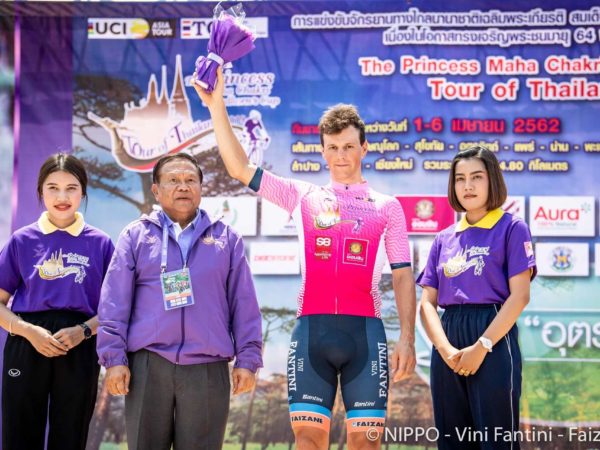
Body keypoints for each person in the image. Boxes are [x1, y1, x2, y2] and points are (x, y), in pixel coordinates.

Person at [195, 69, 416, 450]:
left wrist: (407, 340)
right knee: (309, 441)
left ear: (364, 148)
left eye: (349, 146)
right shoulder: (303, 196)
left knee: (366, 444)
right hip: (312, 333)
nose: (341, 155)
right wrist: (217, 106)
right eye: (333, 147)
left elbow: (402, 276)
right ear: (323, 151)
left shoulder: (387, 207)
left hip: (366, 335)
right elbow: (239, 169)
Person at [96, 153, 262, 450]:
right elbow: (114, 303)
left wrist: (248, 359)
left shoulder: (227, 238)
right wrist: (114, 358)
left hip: (207, 368)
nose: (183, 186)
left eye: (190, 180)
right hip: (147, 364)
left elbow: (244, 303)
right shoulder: (135, 236)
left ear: (201, 188)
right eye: (173, 180)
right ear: (156, 190)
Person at [417, 146, 536, 450]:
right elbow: (427, 303)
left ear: (492, 180)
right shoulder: (443, 238)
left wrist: (482, 345)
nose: (467, 186)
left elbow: (520, 296)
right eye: (460, 178)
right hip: (448, 339)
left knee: (496, 441)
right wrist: (445, 350)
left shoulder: (512, 228)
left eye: (476, 177)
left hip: (492, 334)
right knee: (452, 440)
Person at [0, 153, 114, 450]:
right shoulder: (22, 240)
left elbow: (116, 308)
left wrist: (84, 331)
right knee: (19, 434)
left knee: (70, 434)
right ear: (41, 191)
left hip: (79, 345)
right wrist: (28, 331)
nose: (62, 197)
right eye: (53, 188)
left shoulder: (101, 243)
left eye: (71, 188)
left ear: (83, 192)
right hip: (26, 343)